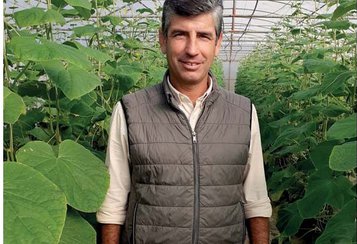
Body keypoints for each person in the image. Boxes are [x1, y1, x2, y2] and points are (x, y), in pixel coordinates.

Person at [97, 0, 272, 243]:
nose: (192, 49)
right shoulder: (130, 111)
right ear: (162, 40)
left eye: (203, 36)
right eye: (180, 34)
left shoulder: (243, 112)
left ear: (217, 43)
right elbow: (113, 204)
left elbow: (256, 200)